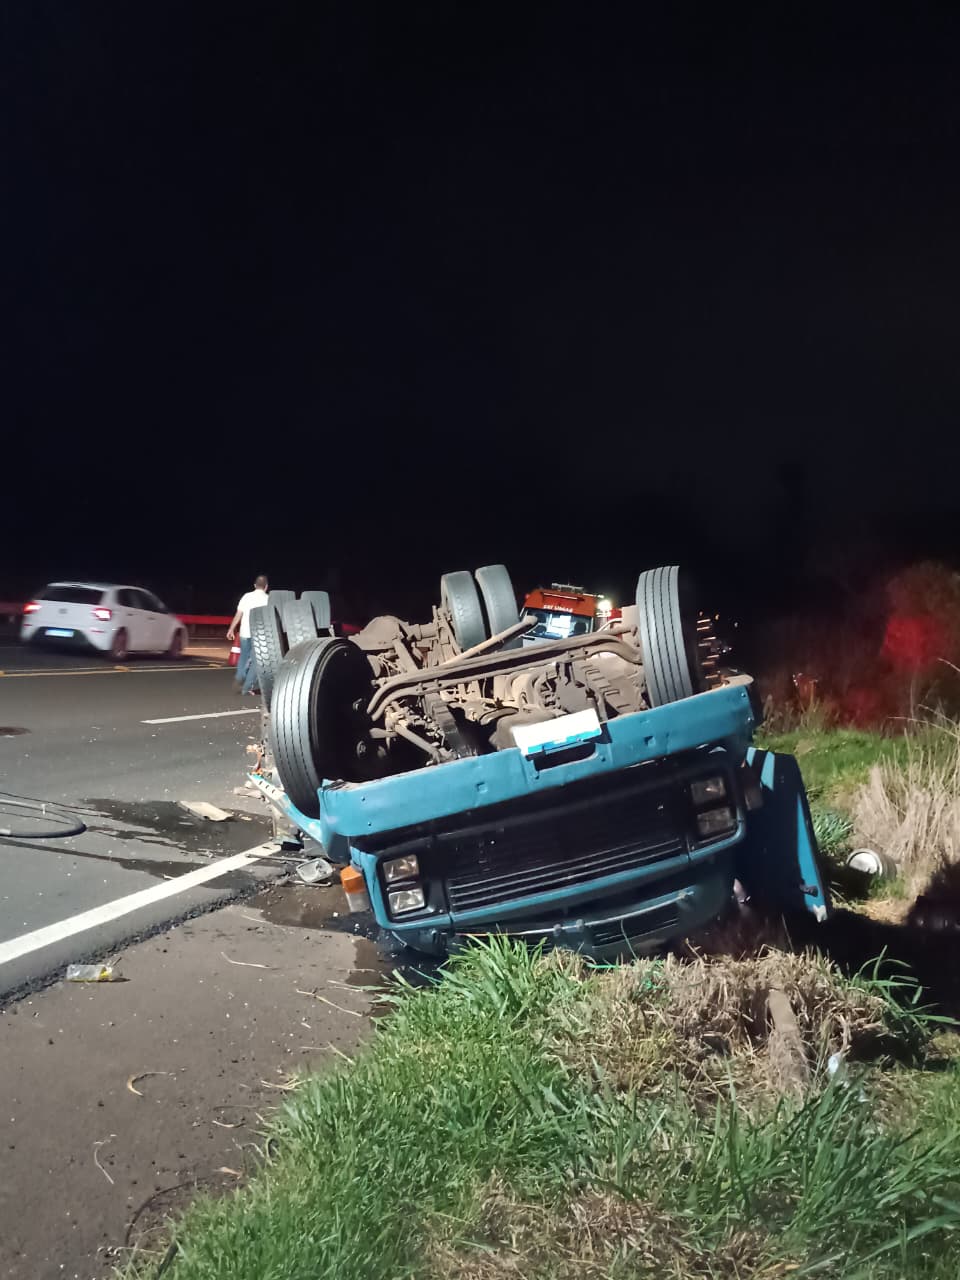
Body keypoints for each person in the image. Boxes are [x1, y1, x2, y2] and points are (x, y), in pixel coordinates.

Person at [227, 575, 269, 695]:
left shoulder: (246, 596)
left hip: (245, 632)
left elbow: (238, 614)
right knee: (256, 661)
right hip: (259, 634)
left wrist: (231, 629)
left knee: (244, 656)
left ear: (255, 585)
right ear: (266, 587)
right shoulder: (268, 599)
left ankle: (240, 675)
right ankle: (246, 687)